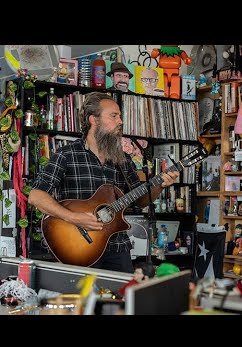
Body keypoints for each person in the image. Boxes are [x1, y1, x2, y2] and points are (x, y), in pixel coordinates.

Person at [28, 92, 179, 273]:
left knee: (124, 299)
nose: (120, 121)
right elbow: (36, 196)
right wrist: (74, 218)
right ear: (94, 120)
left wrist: (160, 184)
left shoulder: (122, 160)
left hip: (117, 248)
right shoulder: (67, 154)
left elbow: (141, 200)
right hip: (79, 248)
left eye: (120, 116)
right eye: (114, 116)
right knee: (83, 301)